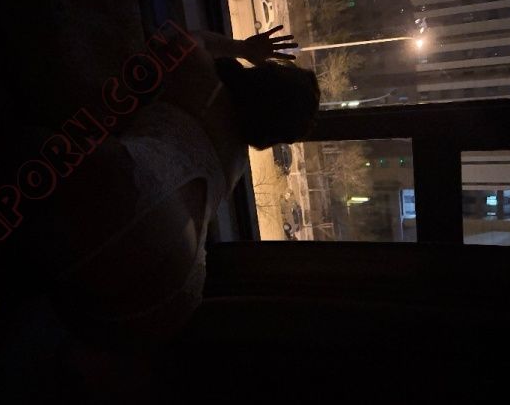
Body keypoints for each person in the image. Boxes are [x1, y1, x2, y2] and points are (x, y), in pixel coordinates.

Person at [49, 25, 319, 350]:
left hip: (140, 187)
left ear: (264, 77)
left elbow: (180, 36)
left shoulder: (205, 80)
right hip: (177, 291)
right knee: (66, 314)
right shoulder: (237, 163)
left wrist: (243, 49)